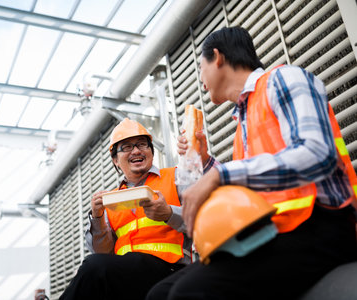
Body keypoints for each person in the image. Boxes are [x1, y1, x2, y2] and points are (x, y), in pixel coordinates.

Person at [146, 26, 357, 300]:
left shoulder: (283, 79)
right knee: (159, 294)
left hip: (323, 224)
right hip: (273, 232)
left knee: (189, 292)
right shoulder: (241, 127)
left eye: (200, 67)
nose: (200, 79)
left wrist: (219, 177)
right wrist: (204, 161)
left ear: (218, 57)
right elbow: (247, 188)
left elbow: (318, 154)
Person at [59, 118, 216, 300]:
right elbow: (103, 254)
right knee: (95, 270)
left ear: (151, 152)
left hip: (170, 269)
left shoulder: (175, 177)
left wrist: (169, 214)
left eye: (142, 144)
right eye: (126, 147)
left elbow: (205, 220)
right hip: (128, 277)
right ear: (115, 160)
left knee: (94, 266)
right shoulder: (110, 201)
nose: (136, 150)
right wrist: (97, 217)